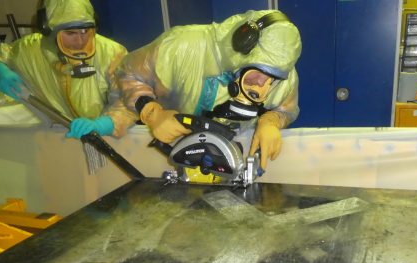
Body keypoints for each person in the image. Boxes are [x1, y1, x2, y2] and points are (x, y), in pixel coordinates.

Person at [112, 10, 302, 170]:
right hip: (167, 146)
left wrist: (270, 122)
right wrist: (153, 113)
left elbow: (286, 109)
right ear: (242, 48)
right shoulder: (180, 47)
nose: (260, 84)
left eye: (272, 79)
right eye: (257, 72)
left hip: (223, 155)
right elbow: (128, 74)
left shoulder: (284, 73)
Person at [0, 0, 136, 139]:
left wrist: (105, 124)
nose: (80, 40)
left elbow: (131, 98)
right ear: (49, 31)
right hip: (55, 137)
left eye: (85, 31)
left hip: (104, 137)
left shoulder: (112, 53)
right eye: (70, 33)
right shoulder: (30, 50)